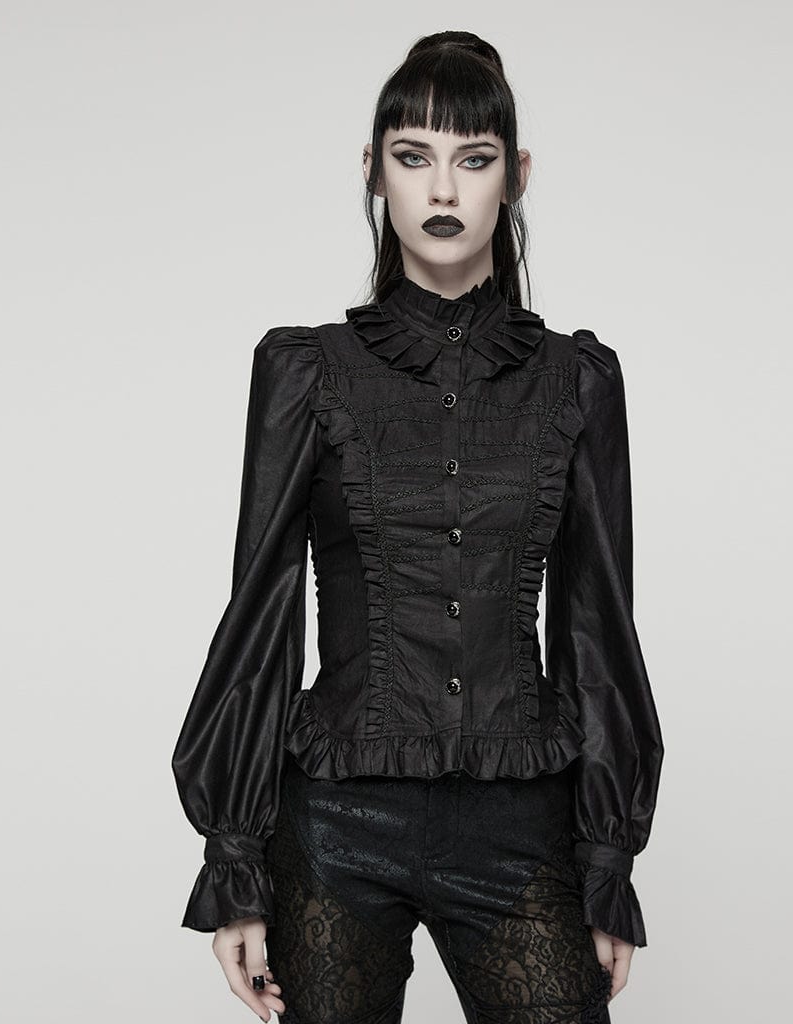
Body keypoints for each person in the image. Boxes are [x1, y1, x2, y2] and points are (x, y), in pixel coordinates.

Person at [172, 30, 664, 1024]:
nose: (443, 188)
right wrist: (235, 863)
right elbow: (260, 615)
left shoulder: (576, 382)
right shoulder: (305, 372)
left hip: (520, 823)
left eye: (473, 159)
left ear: (515, 176)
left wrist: (607, 857)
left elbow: (598, 626)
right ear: (373, 169)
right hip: (335, 826)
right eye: (413, 156)